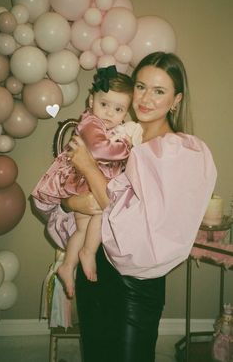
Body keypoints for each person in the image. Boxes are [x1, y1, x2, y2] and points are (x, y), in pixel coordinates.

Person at [62, 51, 217, 362]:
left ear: (176, 100)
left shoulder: (178, 152)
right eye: (141, 87)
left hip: (134, 282)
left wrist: (90, 170)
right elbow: (70, 194)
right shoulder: (114, 135)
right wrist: (74, 200)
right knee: (96, 353)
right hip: (94, 269)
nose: (145, 98)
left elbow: (135, 221)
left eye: (159, 91)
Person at [32, 65, 143, 298]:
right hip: (81, 179)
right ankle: (88, 253)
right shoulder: (91, 123)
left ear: (126, 112)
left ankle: (68, 264)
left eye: (118, 109)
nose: (110, 113)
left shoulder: (110, 127)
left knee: (84, 227)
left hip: (87, 181)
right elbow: (100, 149)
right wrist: (126, 145)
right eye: (104, 104)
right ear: (91, 100)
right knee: (99, 214)